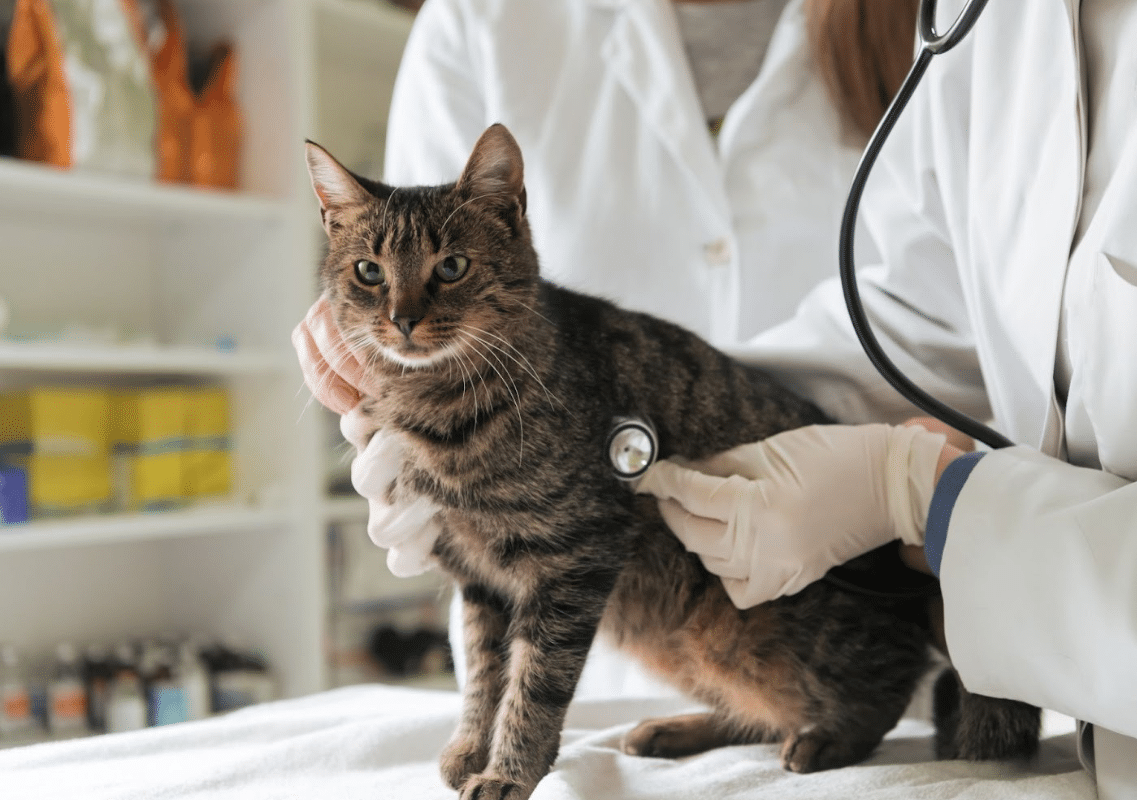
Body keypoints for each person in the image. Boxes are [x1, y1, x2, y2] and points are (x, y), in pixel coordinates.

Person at [301, 0, 1137, 798]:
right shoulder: (989, 25)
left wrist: (933, 499)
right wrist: (513, 440)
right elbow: (903, 337)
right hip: (684, 654)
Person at [299, 0, 918, 699]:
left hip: (859, 620)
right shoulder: (480, 20)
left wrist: (905, 481)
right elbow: (399, 253)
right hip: (601, 671)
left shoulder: (937, 23)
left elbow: (948, 335)